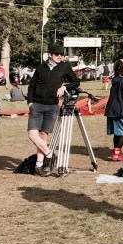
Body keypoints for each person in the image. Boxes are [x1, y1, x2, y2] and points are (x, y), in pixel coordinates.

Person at [25, 42, 80, 175]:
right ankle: (50, 155)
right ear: (50, 55)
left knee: (44, 135)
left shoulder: (65, 67)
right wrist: (30, 102)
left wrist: (64, 87)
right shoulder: (40, 68)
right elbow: (32, 85)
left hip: (52, 106)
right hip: (36, 105)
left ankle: (40, 165)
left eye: (62, 54)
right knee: (32, 135)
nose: (60, 56)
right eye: (57, 54)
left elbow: (76, 82)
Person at [105, 59, 123, 162]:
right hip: (122, 109)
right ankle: (116, 154)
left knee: (118, 133)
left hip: (112, 109)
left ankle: (117, 152)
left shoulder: (116, 79)